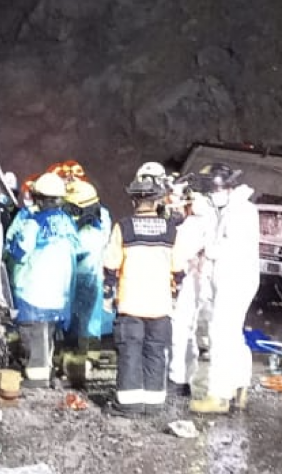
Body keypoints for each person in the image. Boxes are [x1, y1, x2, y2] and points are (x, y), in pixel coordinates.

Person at [103, 173, 183, 416]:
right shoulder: (171, 230)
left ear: (133, 201)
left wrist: (108, 293)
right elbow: (178, 268)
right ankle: (154, 403)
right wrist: (175, 295)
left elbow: (111, 264)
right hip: (160, 306)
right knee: (156, 353)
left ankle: (128, 404)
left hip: (131, 304)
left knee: (130, 353)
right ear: (158, 200)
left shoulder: (124, 227)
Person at [188, 163, 260, 414]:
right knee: (233, 335)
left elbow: (229, 246)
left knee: (220, 335)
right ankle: (240, 386)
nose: (209, 196)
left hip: (235, 279)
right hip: (234, 278)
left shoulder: (240, 211)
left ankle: (219, 396)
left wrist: (207, 248)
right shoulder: (234, 208)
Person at [4, 172, 83, 388]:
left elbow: (19, 252)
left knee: (33, 332)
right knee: (48, 332)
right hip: (60, 291)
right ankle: (46, 371)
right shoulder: (68, 222)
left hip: (34, 288)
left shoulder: (34, 222)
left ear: (39, 197)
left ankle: (36, 377)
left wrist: (8, 245)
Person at [167, 191, 214, 396]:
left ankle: (178, 380)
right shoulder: (212, 219)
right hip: (206, 284)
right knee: (197, 332)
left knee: (181, 330)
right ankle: (189, 379)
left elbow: (179, 257)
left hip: (192, 282)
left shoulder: (191, 226)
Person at [63, 180, 114, 348]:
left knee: (81, 325)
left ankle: (81, 361)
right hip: (93, 278)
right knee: (89, 323)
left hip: (82, 279)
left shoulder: (86, 235)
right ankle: (86, 358)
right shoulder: (101, 222)